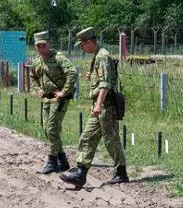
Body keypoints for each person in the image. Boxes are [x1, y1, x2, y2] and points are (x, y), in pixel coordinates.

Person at [59, 27, 129, 187]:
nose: (82, 48)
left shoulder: (102, 56)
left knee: (111, 140)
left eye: (82, 45)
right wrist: (93, 77)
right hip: (100, 106)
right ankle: (80, 173)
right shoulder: (98, 56)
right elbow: (103, 78)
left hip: (105, 106)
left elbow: (106, 84)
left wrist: (98, 104)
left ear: (89, 42)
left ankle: (121, 172)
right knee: (87, 137)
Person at [30, 31, 78, 174]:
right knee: (48, 130)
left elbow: (72, 72)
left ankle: (52, 161)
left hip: (59, 99)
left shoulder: (58, 57)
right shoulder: (37, 60)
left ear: (49, 44)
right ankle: (62, 160)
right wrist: (37, 89)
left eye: (43, 45)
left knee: (52, 129)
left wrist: (64, 91)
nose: (41, 48)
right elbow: (32, 76)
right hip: (47, 98)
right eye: (38, 46)